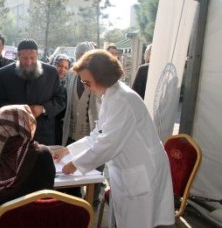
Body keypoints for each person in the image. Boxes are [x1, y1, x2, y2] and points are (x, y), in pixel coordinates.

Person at [54, 49, 175, 228]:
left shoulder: (123, 100)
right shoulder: (111, 95)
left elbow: (107, 144)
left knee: (138, 222)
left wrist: (75, 164)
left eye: (87, 82)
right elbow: (99, 133)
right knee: (124, 219)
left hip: (142, 170)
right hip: (130, 169)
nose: (85, 86)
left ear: (103, 78)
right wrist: (69, 150)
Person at [0, 39, 66, 145]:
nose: (28, 62)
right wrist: (19, 112)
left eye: (32, 58)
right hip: (14, 134)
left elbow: (61, 99)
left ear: (37, 55)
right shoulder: (4, 73)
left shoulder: (51, 72)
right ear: (18, 56)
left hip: (43, 135)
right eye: (24, 58)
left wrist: (42, 109)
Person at [60, 41, 101, 199]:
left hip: (93, 129)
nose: (80, 60)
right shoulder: (71, 74)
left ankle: (93, 198)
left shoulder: (99, 77)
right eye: (77, 57)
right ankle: (73, 197)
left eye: (84, 57)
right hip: (72, 130)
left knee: (95, 166)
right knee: (71, 166)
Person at [50, 54, 71, 145]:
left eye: (66, 68)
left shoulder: (68, 84)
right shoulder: (46, 81)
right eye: (59, 66)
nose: (62, 69)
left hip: (60, 123)